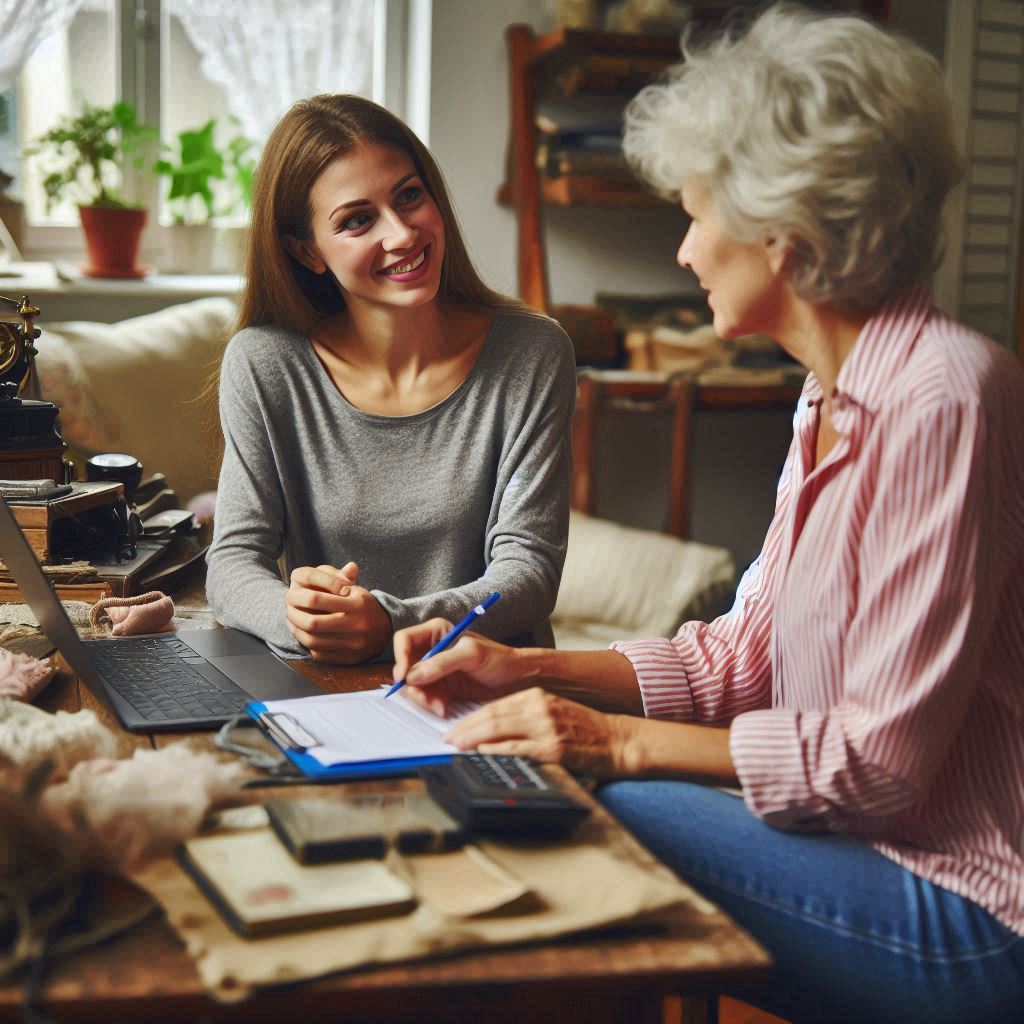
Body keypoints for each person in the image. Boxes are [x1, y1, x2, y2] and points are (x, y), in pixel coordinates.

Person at [390, 6, 1024, 1022]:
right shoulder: (827, 393)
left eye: (695, 215)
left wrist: (610, 740)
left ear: (781, 225)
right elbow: (739, 661)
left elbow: (878, 765)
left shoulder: (944, 393)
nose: (683, 251)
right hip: (868, 854)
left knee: (586, 804)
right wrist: (524, 667)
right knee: (554, 784)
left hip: (973, 905)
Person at [206, 95, 575, 664]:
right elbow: (232, 565)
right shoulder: (264, 365)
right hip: (331, 692)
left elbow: (528, 573)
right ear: (308, 252)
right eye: (357, 220)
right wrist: (298, 616)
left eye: (409, 196)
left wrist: (391, 623)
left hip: (490, 685)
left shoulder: (532, 352)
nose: (402, 234)